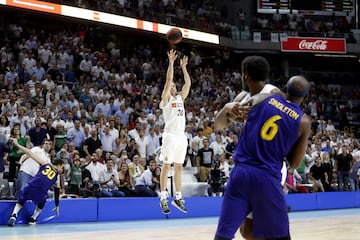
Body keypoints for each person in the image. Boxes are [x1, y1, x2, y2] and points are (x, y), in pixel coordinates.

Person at [214, 75, 312, 240]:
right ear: (305, 96)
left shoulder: (265, 98)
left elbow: (236, 117)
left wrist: (230, 109)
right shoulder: (303, 121)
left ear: (285, 88)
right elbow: (294, 163)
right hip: (267, 177)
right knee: (281, 235)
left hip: (240, 172)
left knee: (224, 235)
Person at [214, 55, 282, 239]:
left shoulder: (273, 92)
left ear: (245, 75)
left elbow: (275, 99)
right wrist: (227, 108)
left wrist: (251, 105)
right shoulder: (242, 97)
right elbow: (218, 125)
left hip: (268, 167)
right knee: (247, 230)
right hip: (250, 167)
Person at [159, 49, 191, 214]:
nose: (172, 86)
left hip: (181, 136)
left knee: (178, 167)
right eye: (170, 86)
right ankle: (163, 198)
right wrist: (171, 63)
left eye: (173, 86)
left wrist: (184, 67)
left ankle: (178, 198)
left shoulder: (180, 98)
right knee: (166, 165)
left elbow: (188, 85)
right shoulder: (166, 100)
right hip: (170, 135)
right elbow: (169, 78)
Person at [7, 137, 63, 227]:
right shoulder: (58, 176)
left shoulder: (45, 163)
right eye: (62, 167)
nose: (62, 169)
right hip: (40, 192)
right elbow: (57, 191)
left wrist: (17, 144)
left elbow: (28, 152)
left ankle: (14, 215)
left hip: (32, 185)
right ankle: (33, 218)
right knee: (43, 201)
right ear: (59, 165)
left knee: (21, 198)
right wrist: (57, 206)